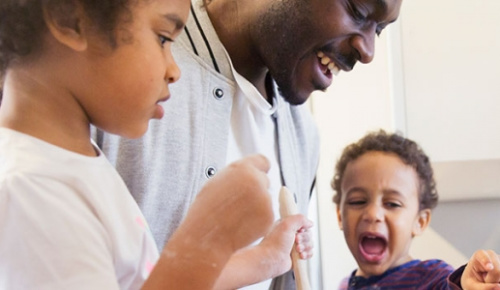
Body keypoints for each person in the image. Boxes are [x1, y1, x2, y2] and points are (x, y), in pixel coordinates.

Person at [0, 0, 312, 289]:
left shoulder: (73, 165)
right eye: (163, 39)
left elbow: (142, 280)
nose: (174, 70)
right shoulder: (32, 191)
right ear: (71, 20)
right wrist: (206, 238)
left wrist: (267, 256)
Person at [93, 0, 403, 288]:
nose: (368, 51)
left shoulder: (304, 136)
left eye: (379, 29)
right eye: (359, 10)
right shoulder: (128, 66)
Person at [331, 130, 500, 289]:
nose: (373, 214)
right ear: (339, 215)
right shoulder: (345, 285)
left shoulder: (430, 278)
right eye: (358, 201)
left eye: (392, 204)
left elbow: (448, 285)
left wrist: (465, 282)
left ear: (420, 221)